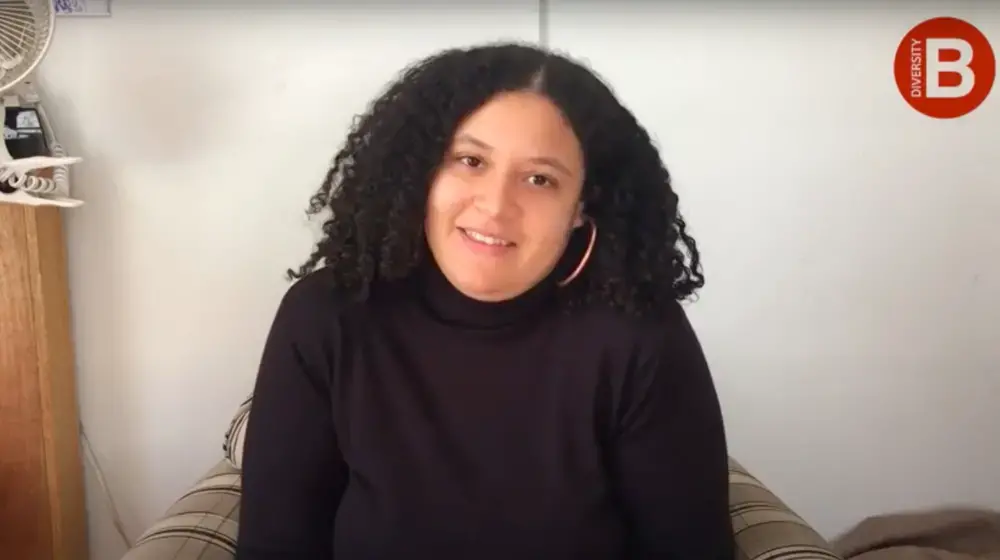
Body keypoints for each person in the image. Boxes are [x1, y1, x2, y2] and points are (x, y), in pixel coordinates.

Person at [235, 42, 734, 560]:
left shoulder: (640, 335)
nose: (496, 206)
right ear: (421, 173)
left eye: (540, 179)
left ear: (583, 206)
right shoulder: (328, 315)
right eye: (470, 161)